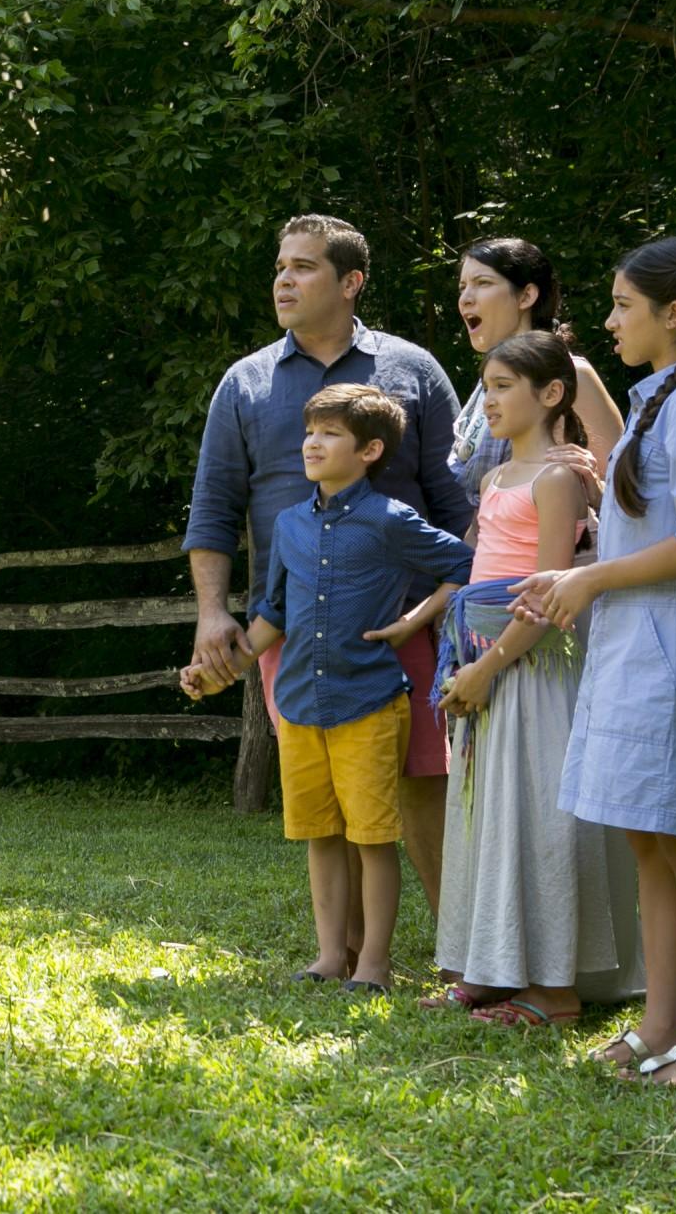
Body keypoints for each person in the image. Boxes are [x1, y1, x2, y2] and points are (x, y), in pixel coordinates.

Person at [185, 215, 475, 947]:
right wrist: (213, 613)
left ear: (351, 283)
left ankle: (461, 954)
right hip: (295, 626)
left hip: (399, 623)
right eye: (280, 266)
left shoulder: (413, 371)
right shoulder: (244, 382)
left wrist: (443, 612)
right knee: (328, 797)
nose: (283, 279)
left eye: (304, 267)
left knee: (418, 787)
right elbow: (214, 508)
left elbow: (457, 511)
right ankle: (341, 954)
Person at [511, 237, 676, 1090]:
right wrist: (570, 576)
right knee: (647, 835)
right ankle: (659, 1025)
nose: (608, 321)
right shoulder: (656, 401)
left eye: (622, 306)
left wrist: (592, 575)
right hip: (634, 642)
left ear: (671, 314)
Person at [425, 332, 643, 1023]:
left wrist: (490, 666)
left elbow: (549, 595)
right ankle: (490, 968)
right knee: (489, 815)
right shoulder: (495, 479)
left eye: (502, 387)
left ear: (551, 394)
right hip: (482, 661)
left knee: (541, 816)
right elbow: (475, 575)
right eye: (484, 386)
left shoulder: (559, 478)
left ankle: (554, 989)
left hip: (532, 668)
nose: (487, 400)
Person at [448, 238, 623, 512]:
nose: (465, 299)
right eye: (462, 287)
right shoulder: (490, 381)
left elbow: (621, 491)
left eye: (482, 283)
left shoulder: (572, 375)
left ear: (526, 296)